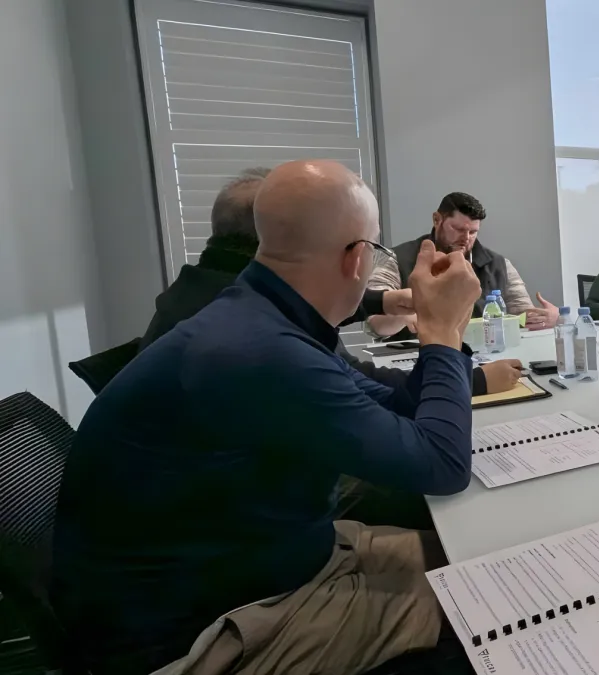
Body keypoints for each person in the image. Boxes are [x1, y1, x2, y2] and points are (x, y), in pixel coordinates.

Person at [52, 160, 480, 674]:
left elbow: (399, 404)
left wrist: (440, 339)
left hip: (262, 559)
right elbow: (443, 464)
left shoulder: (259, 315)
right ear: (358, 258)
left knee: (481, 556)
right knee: (483, 604)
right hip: (200, 634)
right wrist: (443, 330)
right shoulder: (257, 351)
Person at [140, 168, 522, 397]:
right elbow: (434, 463)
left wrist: (383, 301)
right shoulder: (259, 332)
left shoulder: (203, 294)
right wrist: (450, 350)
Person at [366, 191, 559, 336]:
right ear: (436, 220)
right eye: (458, 229)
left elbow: (522, 315)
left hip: (486, 354)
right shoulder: (396, 258)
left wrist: (549, 318)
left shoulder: (499, 264)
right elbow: (376, 322)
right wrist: (404, 317)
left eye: (473, 232)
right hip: (414, 358)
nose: (466, 238)